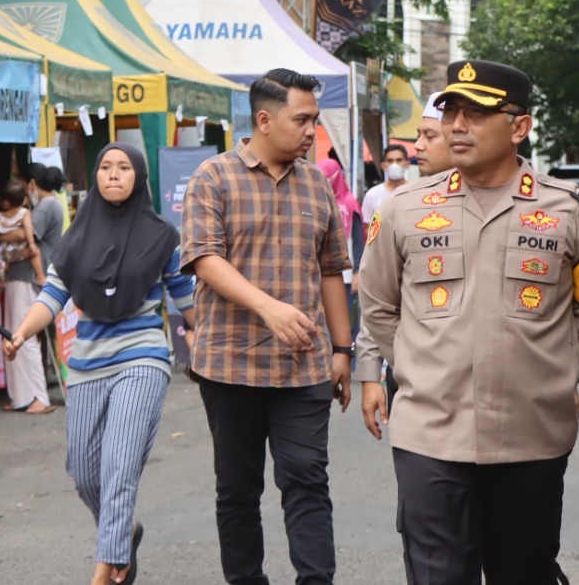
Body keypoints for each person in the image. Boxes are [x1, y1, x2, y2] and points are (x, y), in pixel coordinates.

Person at [359, 60, 579, 584]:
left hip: (532, 436)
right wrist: (423, 368)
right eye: (451, 111)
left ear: (519, 126)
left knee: (523, 573)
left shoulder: (572, 209)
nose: (457, 125)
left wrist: (546, 364)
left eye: (476, 113)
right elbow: (379, 306)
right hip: (431, 438)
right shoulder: (405, 208)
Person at [182, 68, 353, 585]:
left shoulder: (317, 184)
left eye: (314, 120)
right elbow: (204, 258)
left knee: (307, 482)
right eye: (301, 120)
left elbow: (331, 269)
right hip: (229, 364)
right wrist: (267, 307)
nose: (311, 131)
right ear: (264, 119)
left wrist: (342, 349)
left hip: (304, 368)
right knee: (237, 490)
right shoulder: (214, 176)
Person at [4, 143, 194, 585]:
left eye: (124, 167)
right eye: (106, 167)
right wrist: (21, 334)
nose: (113, 174)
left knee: (118, 466)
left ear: (138, 176)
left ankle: (103, 572)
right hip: (87, 364)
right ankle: (125, 532)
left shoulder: (163, 236)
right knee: (85, 474)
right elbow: (52, 295)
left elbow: (187, 301)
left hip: (143, 357)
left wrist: (208, 340)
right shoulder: (76, 237)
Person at [358, 94, 451, 441]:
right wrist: (372, 373)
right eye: (418, 135)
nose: (418, 146)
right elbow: (378, 298)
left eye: (430, 136)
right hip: (415, 380)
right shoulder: (400, 206)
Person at [0, 166, 65, 414]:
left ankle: (37, 397)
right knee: (16, 334)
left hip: (27, 277)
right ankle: (21, 397)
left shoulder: (46, 207)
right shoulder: (51, 204)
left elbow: (23, 236)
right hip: (23, 275)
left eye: (25, 185)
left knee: (22, 336)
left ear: (33, 184)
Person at [318, 158, 363, 314]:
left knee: (341, 318)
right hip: (317, 273)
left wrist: (357, 272)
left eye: (326, 176)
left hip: (345, 274)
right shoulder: (316, 201)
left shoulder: (349, 204)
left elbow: (358, 241)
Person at [361, 144, 411, 228]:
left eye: (399, 160)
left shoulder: (416, 192)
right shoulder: (372, 195)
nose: (394, 165)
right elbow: (367, 228)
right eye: (390, 161)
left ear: (407, 164)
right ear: (383, 166)